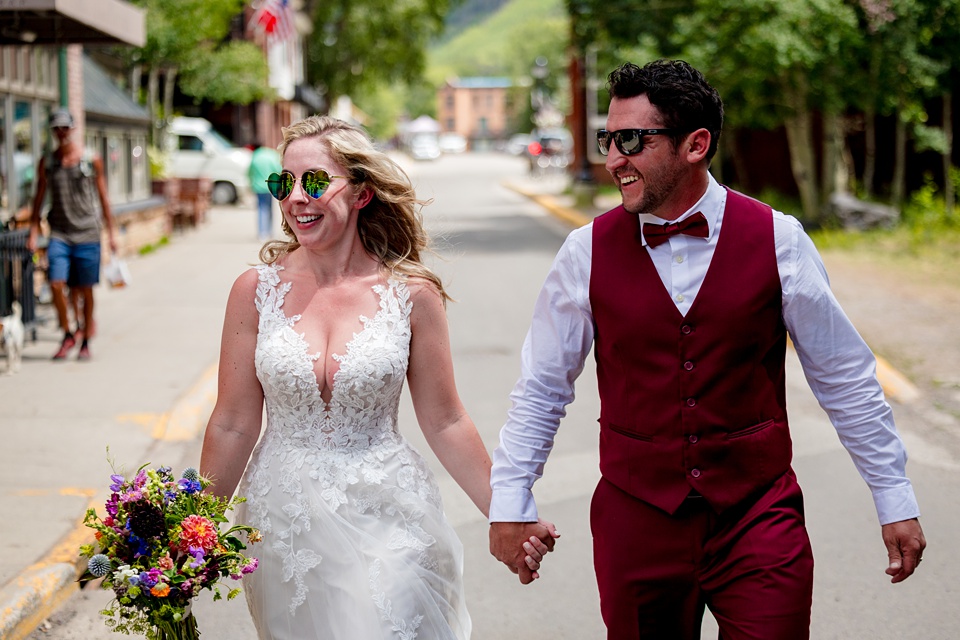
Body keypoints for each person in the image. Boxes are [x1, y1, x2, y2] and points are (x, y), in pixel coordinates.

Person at [488, 59, 926, 639]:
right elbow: (542, 387)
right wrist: (509, 500)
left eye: (631, 140)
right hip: (636, 521)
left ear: (696, 144)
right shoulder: (583, 252)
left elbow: (843, 375)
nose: (613, 157)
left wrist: (892, 495)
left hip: (758, 517)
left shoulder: (779, 238)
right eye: (608, 138)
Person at [199, 115, 555, 639]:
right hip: (283, 528)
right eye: (283, 183)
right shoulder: (253, 291)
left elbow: (447, 421)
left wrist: (509, 512)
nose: (296, 197)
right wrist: (189, 532)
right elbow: (232, 424)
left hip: (390, 516)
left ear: (362, 193)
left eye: (315, 181)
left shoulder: (411, 295)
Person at [27, 108, 117, 361]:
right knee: (56, 283)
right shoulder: (49, 162)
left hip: (88, 232)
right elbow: (38, 198)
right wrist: (33, 231)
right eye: (56, 128)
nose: (61, 132)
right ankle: (68, 333)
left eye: (65, 127)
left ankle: (86, 338)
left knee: (86, 289)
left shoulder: (91, 159)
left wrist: (111, 234)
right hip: (60, 232)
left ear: (73, 129)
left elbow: (103, 197)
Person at [248, 141, 281, 241]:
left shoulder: (255, 156)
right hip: (271, 186)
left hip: (258, 187)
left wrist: (250, 183)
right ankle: (270, 232)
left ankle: (262, 233)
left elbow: (250, 172)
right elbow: (278, 169)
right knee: (270, 208)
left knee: (261, 208)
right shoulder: (271, 154)